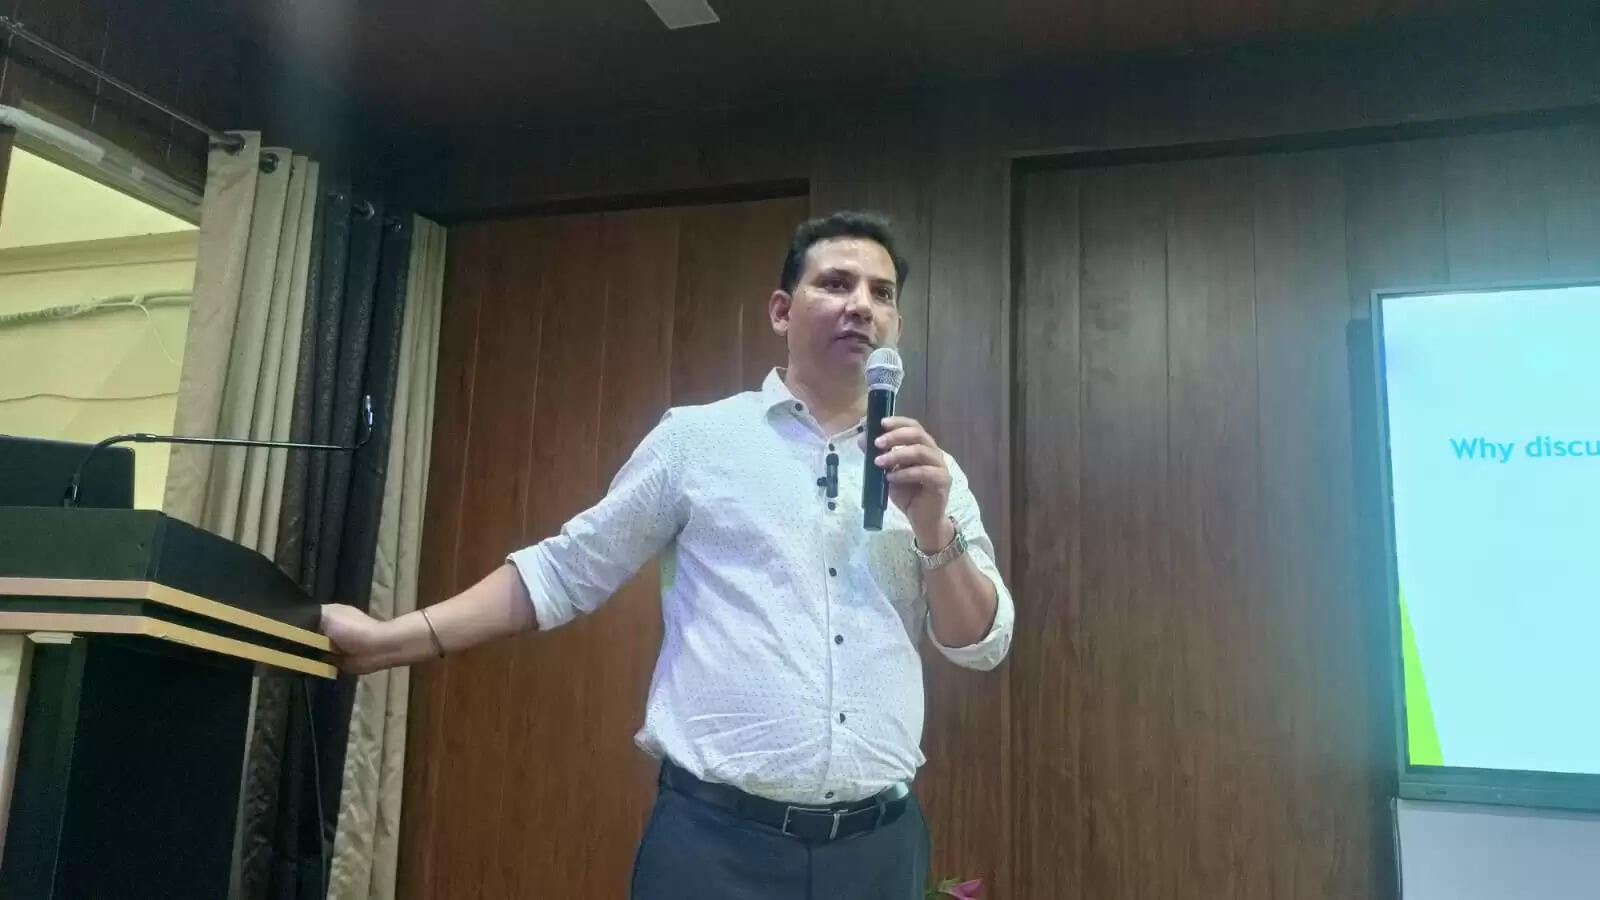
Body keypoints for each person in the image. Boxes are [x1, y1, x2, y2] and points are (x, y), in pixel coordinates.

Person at [319, 210, 1016, 899]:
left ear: (895, 327)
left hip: (880, 852)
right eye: (836, 283)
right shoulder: (698, 441)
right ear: (781, 311)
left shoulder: (930, 474)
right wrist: (391, 640)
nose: (862, 305)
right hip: (716, 848)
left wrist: (934, 530)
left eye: (881, 293)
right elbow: (565, 570)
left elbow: (979, 643)